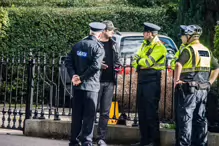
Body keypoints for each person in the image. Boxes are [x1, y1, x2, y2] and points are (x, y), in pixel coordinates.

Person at [174, 25, 219, 146]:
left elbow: (178, 64)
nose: (182, 38)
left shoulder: (189, 49)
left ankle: (184, 144)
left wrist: (176, 80)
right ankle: (201, 144)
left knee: (185, 118)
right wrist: (210, 82)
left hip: (189, 89)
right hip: (203, 90)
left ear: (189, 36)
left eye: (183, 36)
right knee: (200, 119)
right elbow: (216, 68)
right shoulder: (206, 50)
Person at [65, 22, 106, 146]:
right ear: (99, 35)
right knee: (89, 115)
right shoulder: (98, 47)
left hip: (77, 87)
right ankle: (86, 141)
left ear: (90, 32)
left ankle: (74, 141)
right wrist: (81, 78)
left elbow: (68, 61)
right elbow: (95, 66)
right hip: (91, 86)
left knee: (77, 115)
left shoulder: (78, 45)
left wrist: (74, 76)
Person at [132, 22, 167, 146]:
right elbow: (134, 60)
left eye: (145, 32)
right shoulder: (144, 45)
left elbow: (147, 62)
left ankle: (154, 141)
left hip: (152, 80)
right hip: (143, 79)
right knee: (142, 111)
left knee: (151, 112)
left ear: (151, 34)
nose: (143, 34)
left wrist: (139, 62)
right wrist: (139, 62)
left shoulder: (159, 47)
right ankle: (144, 140)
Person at [96, 20, 121, 146]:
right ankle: (86, 137)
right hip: (96, 81)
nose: (113, 32)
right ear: (104, 30)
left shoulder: (114, 44)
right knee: (91, 110)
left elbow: (118, 60)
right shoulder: (96, 43)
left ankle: (101, 138)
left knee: (105, 112)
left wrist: (118, 67)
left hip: (110, 81)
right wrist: (98, 65)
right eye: (111, 30)